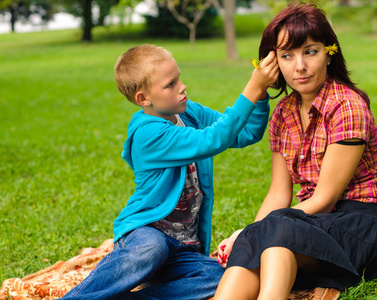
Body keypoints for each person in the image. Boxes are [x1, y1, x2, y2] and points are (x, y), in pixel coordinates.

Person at [213, 3, 377, 300]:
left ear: (329, 53)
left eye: (310, 51)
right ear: (274, 62)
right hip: (309, 225)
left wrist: (255, 231)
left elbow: (325, 198)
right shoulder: (283, 114)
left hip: (366, 226)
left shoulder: (347, 106)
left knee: (271, 232)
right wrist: (250, 234)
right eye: (287, 56)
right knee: (261, 242)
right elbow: (279, 193)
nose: (299, 66)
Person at [61, 44, 279, 300]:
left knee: (228, 278)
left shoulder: (189, 113)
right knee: (150, 249)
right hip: (146, 235)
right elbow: (214, 139)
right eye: (170, 84)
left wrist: (262, 93)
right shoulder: (147, 133)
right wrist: (252, 88)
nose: (182, 86)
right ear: (144, 99)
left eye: (179, 78)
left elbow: (245, 133)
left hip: (184, 249)